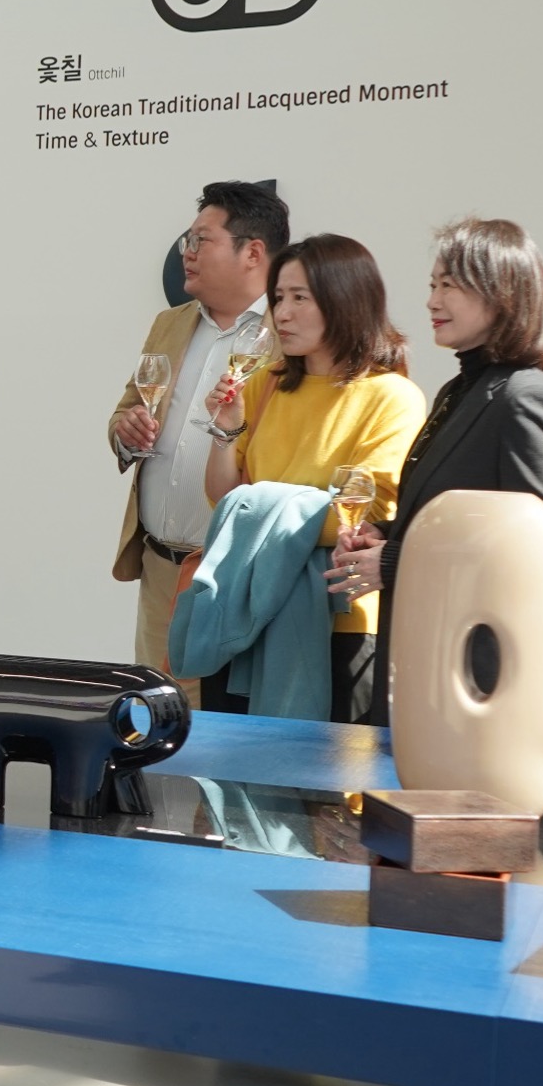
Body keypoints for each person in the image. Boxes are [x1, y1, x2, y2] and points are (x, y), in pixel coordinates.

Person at [329, 219, 543, 719]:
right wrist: (385, 533)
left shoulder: (523, 399)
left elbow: (536, 549)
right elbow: (455, 516)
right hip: (426, 657)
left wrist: (395, 560)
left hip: (478, 680)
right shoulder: (459, 392)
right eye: (432, 285)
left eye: (449, 285)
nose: (432, 301)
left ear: (501, 293)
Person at [200, 234, 423, 723]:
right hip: (249, 607)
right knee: (234, 760)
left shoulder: (391, 396)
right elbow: (223, 499)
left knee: (332, 766)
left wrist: (258, 508)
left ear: (345, 300)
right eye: (279, 297)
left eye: (300, 297)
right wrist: (226, 430)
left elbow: (363, 517)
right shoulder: (266, 384)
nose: (282, 313)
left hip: (338, 615)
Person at [107, 181, 288, 700]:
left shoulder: (289, 333)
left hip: (234, 578)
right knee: (153, 716)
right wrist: (125, 432)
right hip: (160, 567)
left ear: (253, 252)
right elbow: (126, 409)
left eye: (200, 240)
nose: (185, 252)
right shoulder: (171, 323)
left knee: (220, 727)